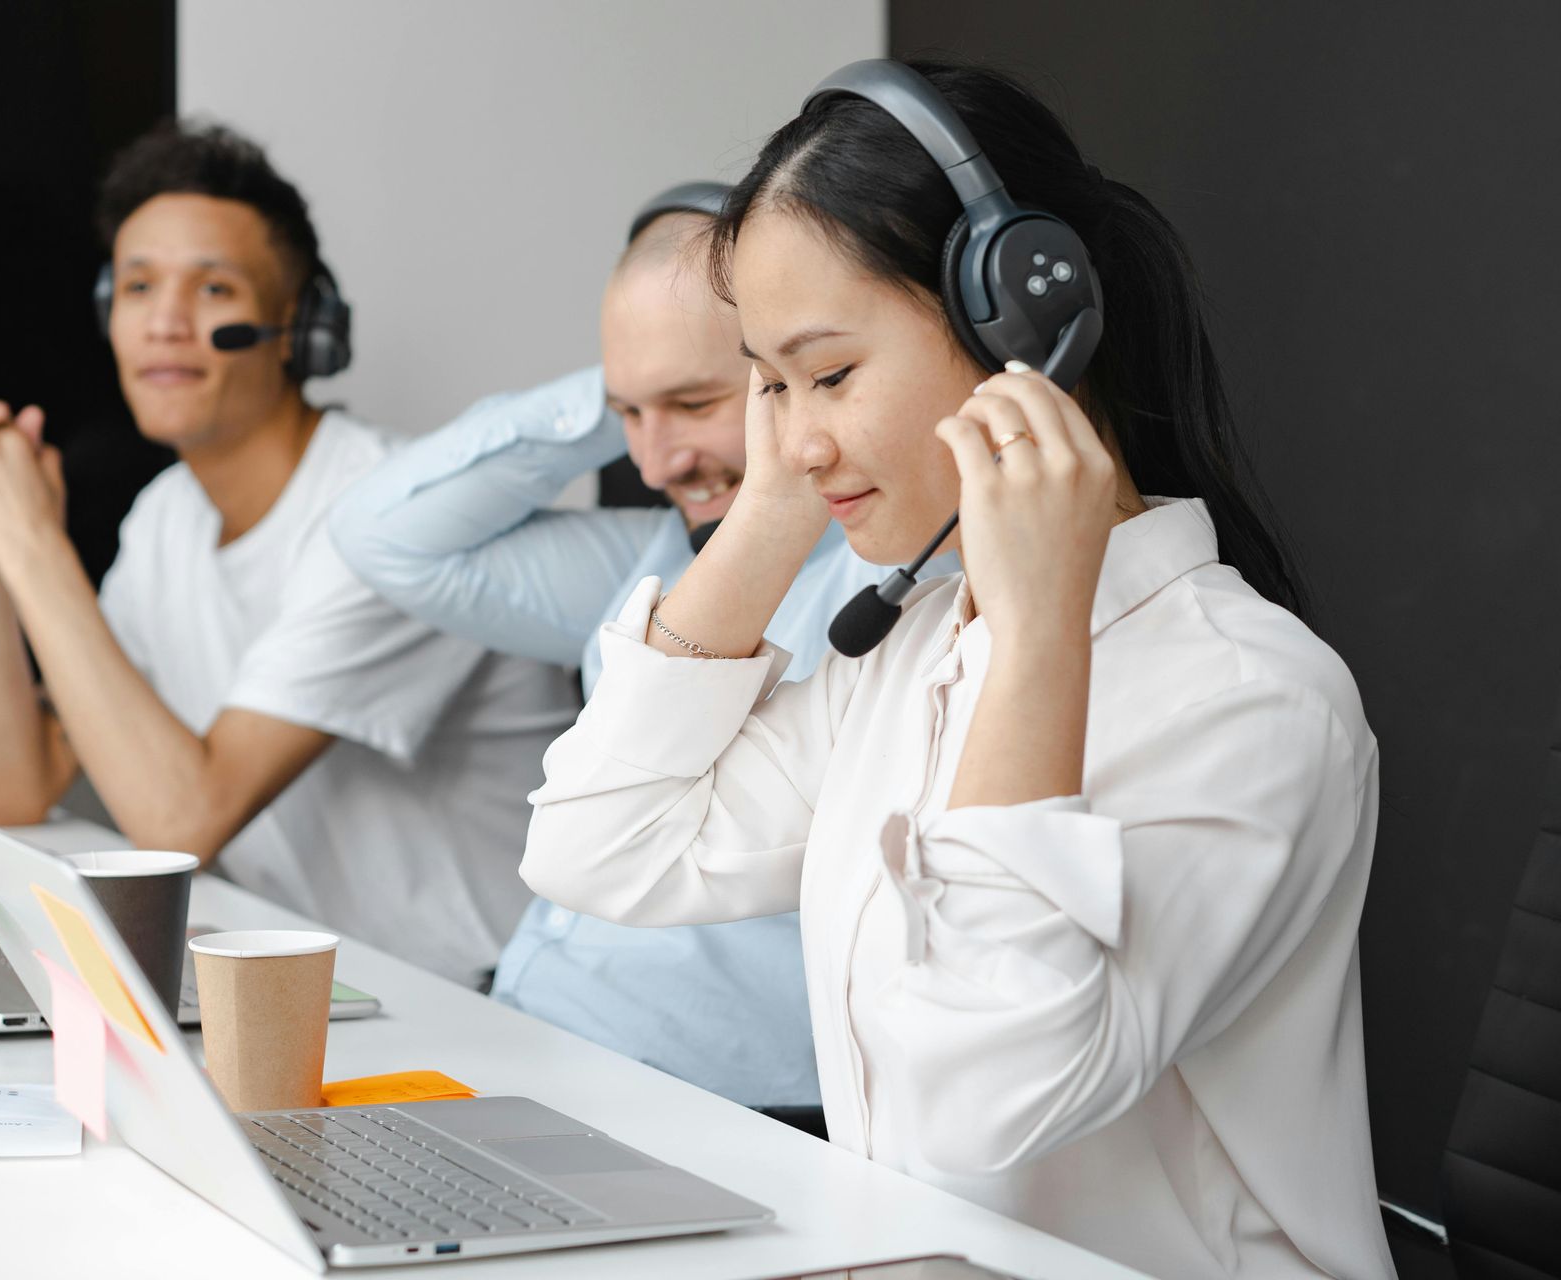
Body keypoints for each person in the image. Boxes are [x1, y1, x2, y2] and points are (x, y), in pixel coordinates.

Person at [519, 59, 1393, 1278]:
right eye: (769, 384)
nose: (797, 429)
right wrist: (776, 507)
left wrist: (1037, 639)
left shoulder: (1251, 697)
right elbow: (595, 844)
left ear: (1017, 329)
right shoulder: (922, 649)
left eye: (829, 373)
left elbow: (984, 1103)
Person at [0, 122, 576, 986]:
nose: (167, 323)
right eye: (139, 287)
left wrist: (32, 540)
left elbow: (183, 819)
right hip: (308, 995)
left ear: (300, 326)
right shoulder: (167, 516)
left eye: (213, 289)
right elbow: (15, 790)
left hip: (483, 1011)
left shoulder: (397, 514)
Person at [330, 187, 949, 1115]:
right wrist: (641, 372)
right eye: (629, 415)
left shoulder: (916, 573)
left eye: (693, 403)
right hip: (525, 1044)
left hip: (724, 1102)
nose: (654, 463)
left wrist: (774, 369)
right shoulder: (651, 557)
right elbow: (385, 533)